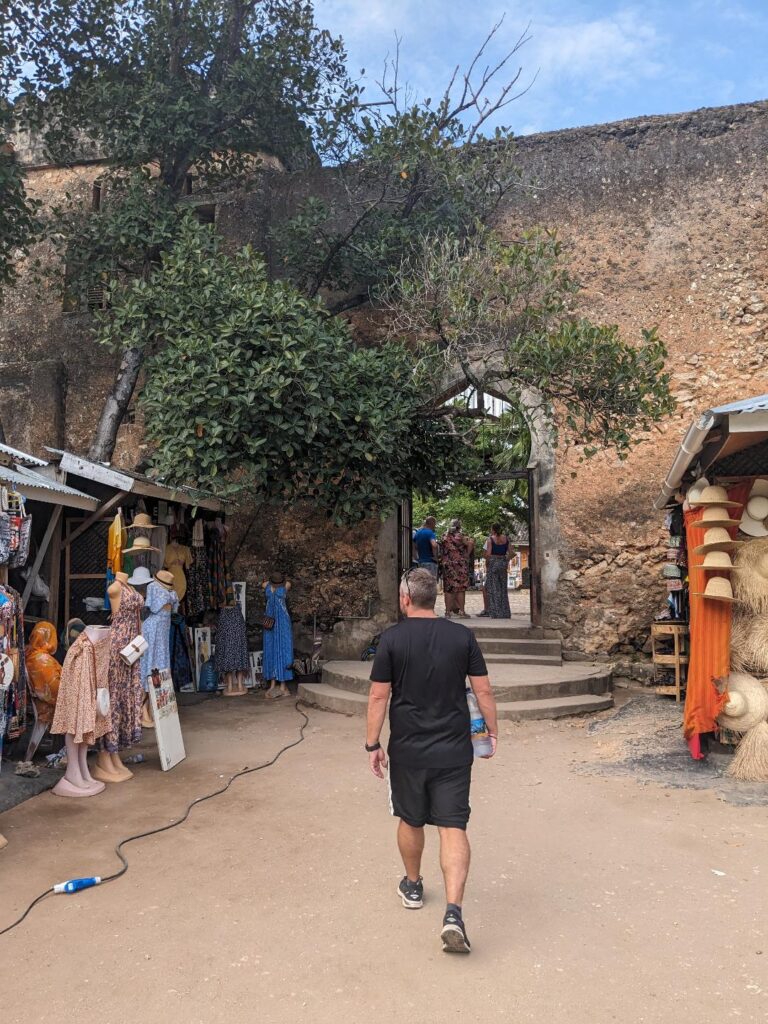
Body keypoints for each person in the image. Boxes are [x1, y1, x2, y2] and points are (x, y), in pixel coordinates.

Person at [366, 567, 498, 954]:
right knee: (453, 825)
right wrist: (492, 732)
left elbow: (378, 698)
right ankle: (454, 912)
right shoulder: (462, 636)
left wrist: (372, 745)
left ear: (406, 598)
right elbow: (483, 690)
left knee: (410, 818)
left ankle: (413, 885)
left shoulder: (391, 640)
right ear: (434, 599)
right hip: (454, 749)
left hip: (408, 750)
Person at [262, 572, 294, 698]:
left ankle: (282, 684)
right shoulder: (266, 585)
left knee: (283, 649)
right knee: (271, 649)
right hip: (270, 622)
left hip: (282, 622)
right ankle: (272, 683)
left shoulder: (287, 585)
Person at [440, 519, 475, 618]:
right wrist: (467, 554)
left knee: (448, 588)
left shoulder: (444, 535)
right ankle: (462, 612)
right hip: (460, 564)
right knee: (460, 589)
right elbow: (471, 543)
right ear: (459, 527)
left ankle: (447, 612)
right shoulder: (461, 535)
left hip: (448, 565)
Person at [483, 524, 513, 619]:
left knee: (493, 589)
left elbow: (488, 554)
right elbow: (512, 552)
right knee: (503, 589)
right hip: (503, 564)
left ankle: (495, 613)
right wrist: (506, 560)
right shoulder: (506, 539)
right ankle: (505, 613)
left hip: (493, 563)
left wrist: (487, 564)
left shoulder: (490, 539)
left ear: (493, 530)